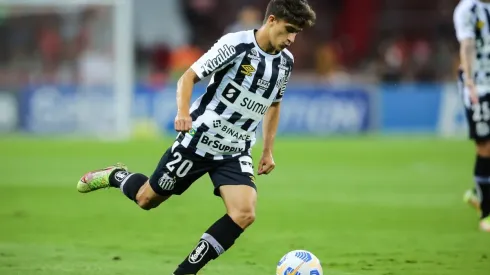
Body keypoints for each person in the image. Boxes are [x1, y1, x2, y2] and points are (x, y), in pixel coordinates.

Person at [76, 0, 317, 273]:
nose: (292, 39)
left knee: (244, 213)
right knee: (147, 199)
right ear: (271, 20)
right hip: (199, 139)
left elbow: (274, 104)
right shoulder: (236, 45)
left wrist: (267, 150)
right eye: (289, 30)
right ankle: (115, 176)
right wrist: (182, 113)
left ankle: (186, 271)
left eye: (297, 32)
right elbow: (188, 77)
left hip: (235, 150)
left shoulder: (285, 63)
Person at [454, 0, 490, 232]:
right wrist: (469, 81)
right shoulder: (468, 9)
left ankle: (480, 195)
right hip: (480, 86)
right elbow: (467, 44)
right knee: (485, 146)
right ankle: (486, 215)